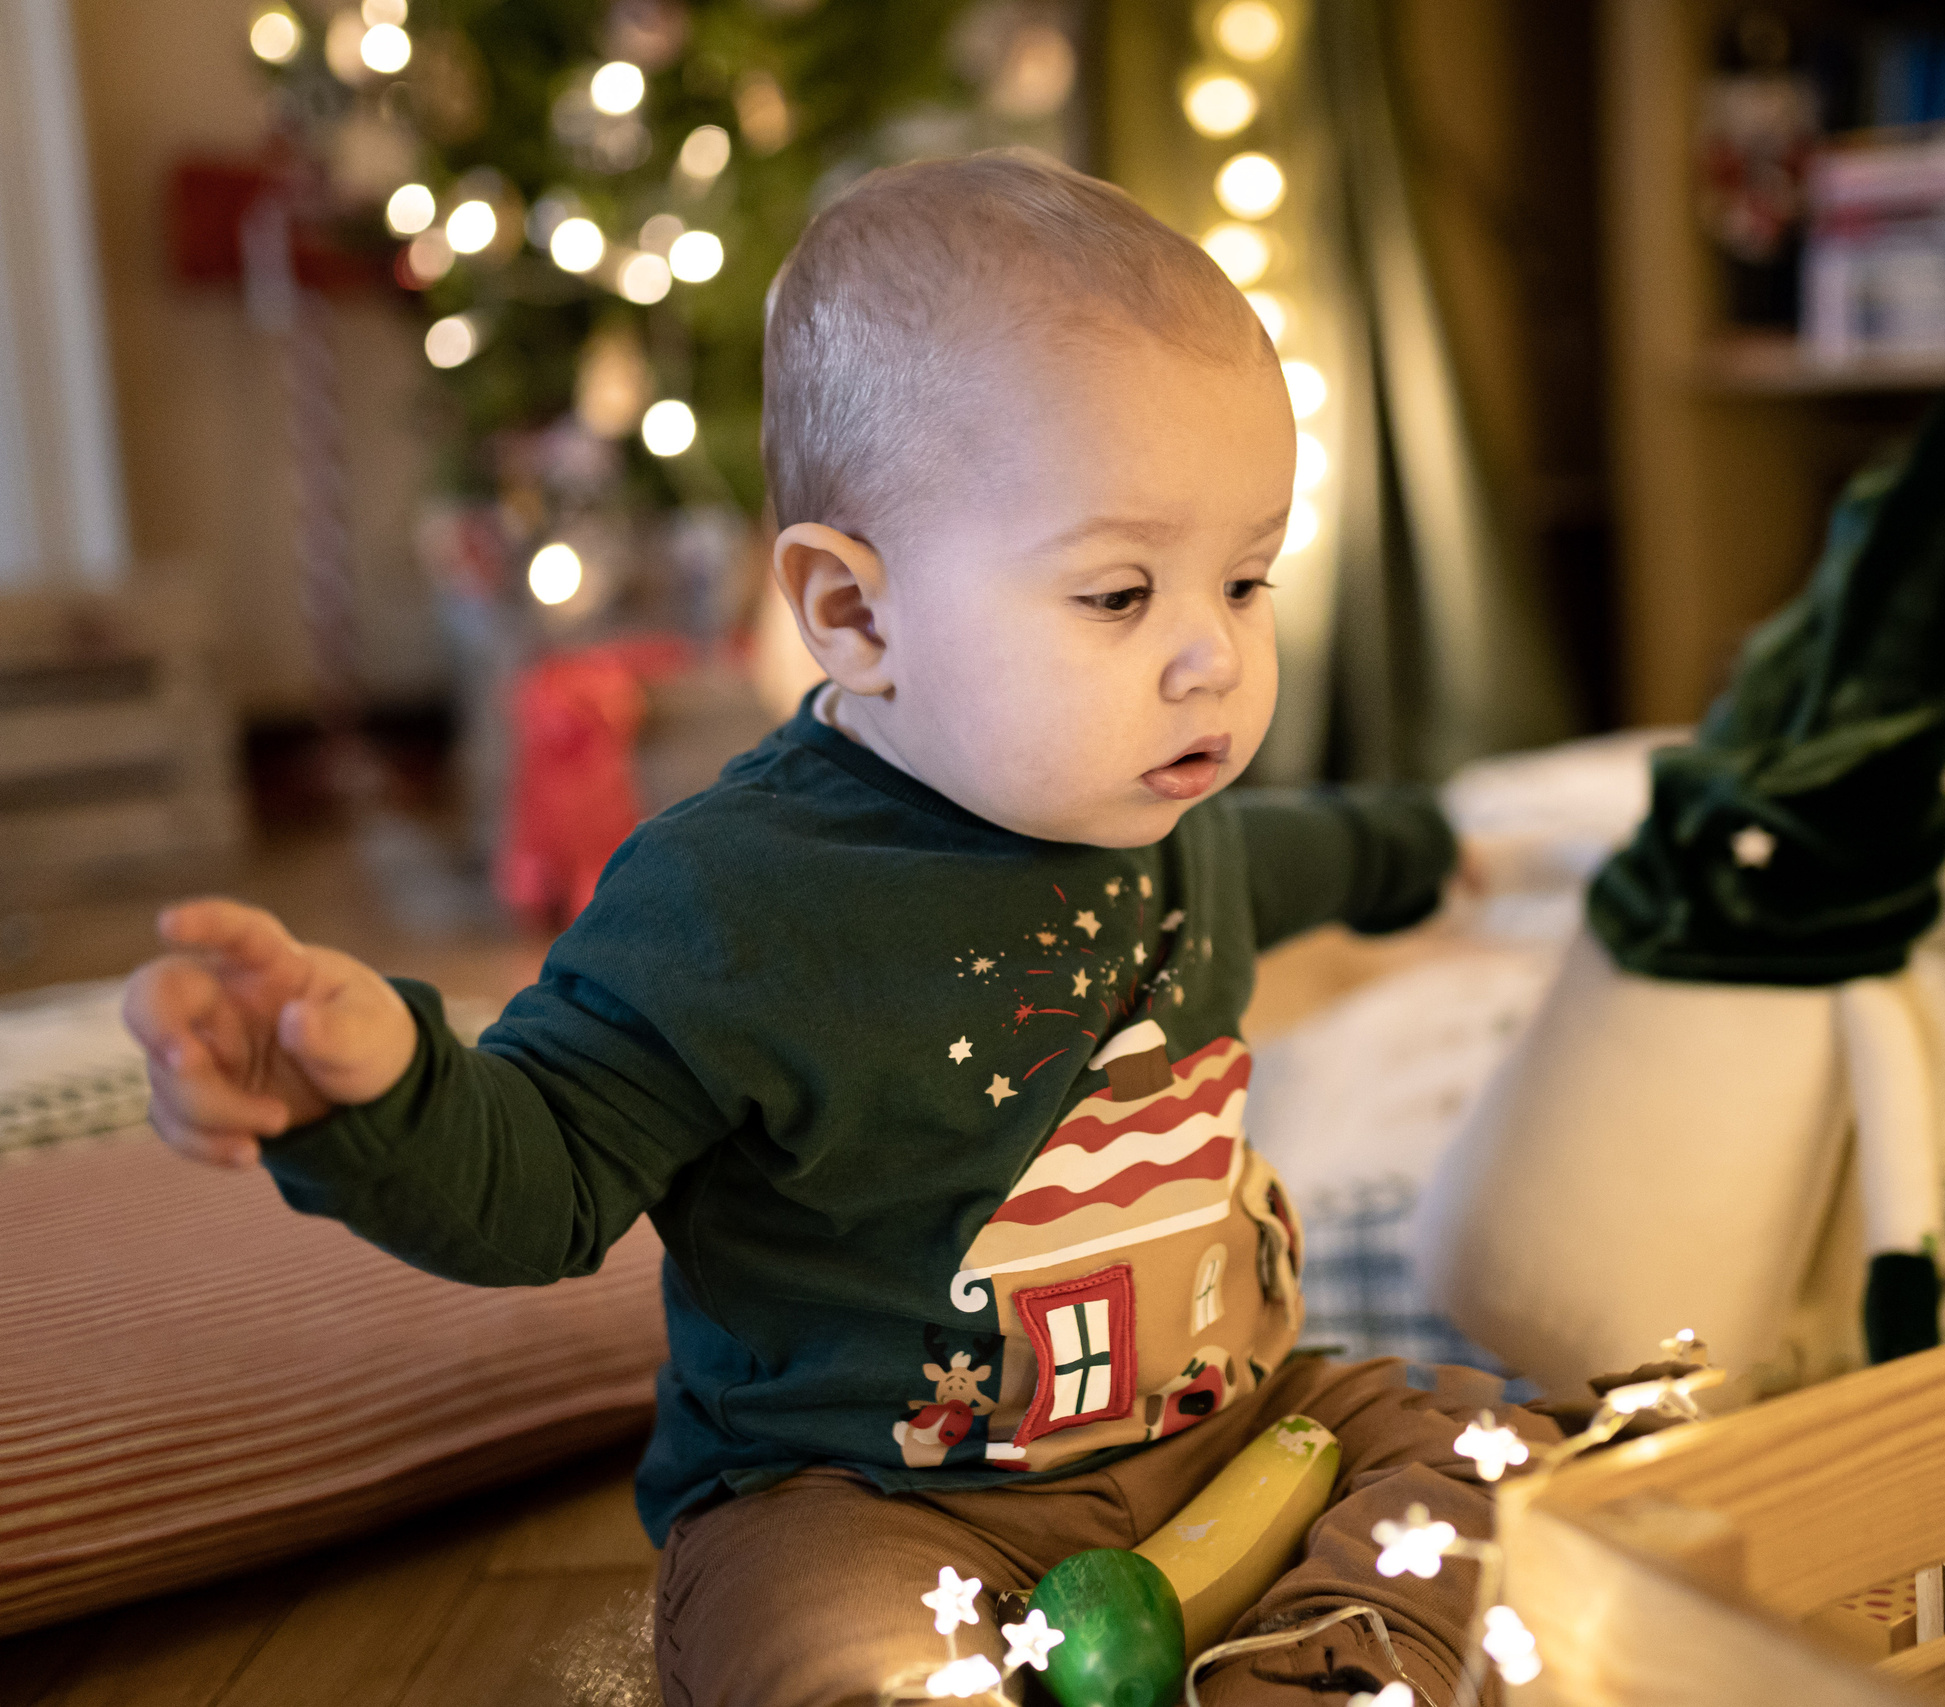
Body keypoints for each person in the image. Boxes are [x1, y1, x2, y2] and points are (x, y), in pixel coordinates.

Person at [124, 151, 1551, 1707]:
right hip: (872, 1508)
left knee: (1494, 1449)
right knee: (833, 1647)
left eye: (1249, 578)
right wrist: (374, 1092)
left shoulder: (1163, 816)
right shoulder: (730, 903)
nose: (1212, 655)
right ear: (854, 615)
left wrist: (1432, 848)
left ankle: (1303, 1669)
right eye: (1118, 594)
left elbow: (1297, 856)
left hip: (1230, 1435)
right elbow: (540, 1184)